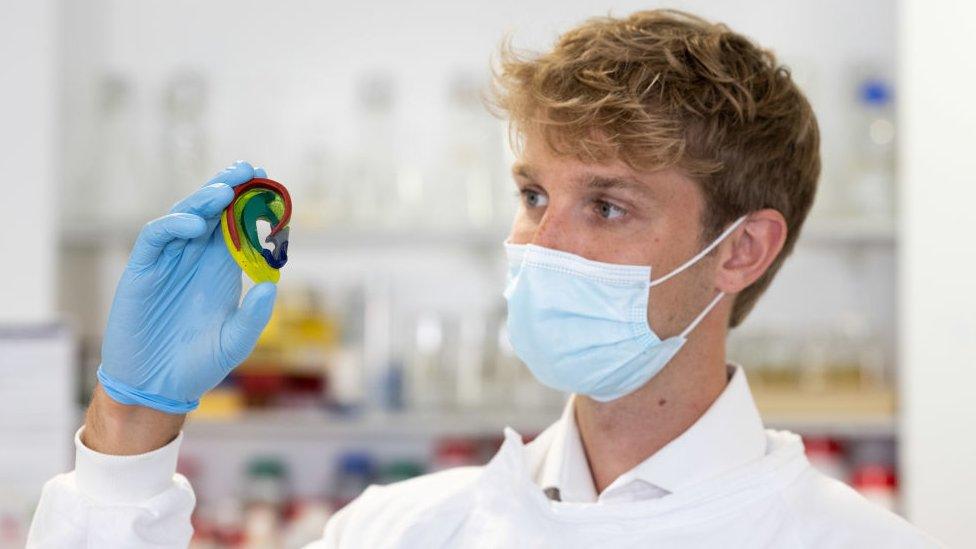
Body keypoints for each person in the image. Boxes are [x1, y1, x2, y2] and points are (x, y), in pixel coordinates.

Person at [28, 9, 938, 548]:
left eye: (607, 206)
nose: (542, 243)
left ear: (740, 251)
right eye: (535, 193)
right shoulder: (404, 530)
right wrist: (130, 422)